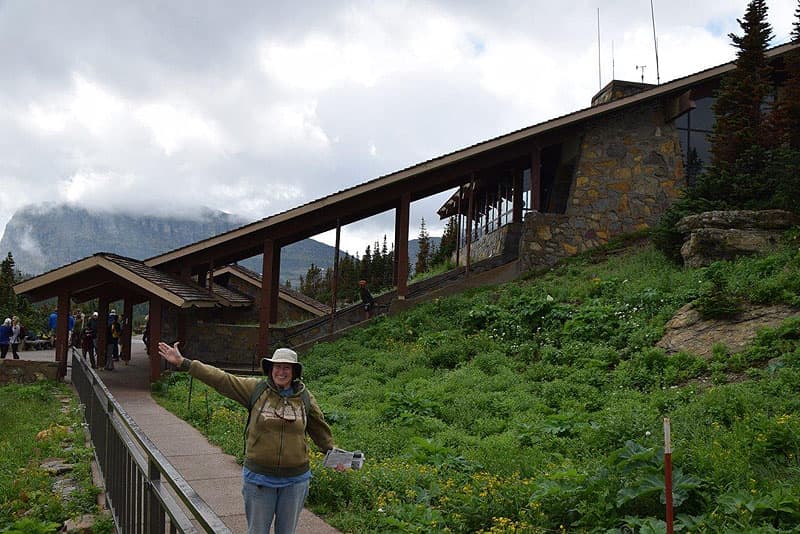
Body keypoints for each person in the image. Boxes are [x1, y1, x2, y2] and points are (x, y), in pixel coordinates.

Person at [157, 342, 339, 534]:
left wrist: (335, 456)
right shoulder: (256, 390)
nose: (282, 372)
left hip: (295, 480)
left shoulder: (305, 398)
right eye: (277, 367)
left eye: (287, 367)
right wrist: (184, 363)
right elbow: (222, 379)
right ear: (271, 369)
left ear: (294, 371)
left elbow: (321, 432)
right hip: (260, 478)